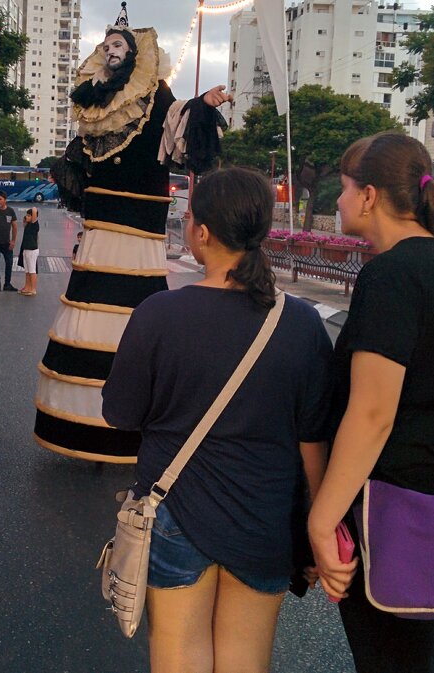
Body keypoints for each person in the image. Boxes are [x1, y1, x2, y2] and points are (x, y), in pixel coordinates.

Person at [103, 168, 332, 673]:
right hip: (266, 519)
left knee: (180, 655)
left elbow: (120, 414)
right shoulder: (301, 323)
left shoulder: (159, 313)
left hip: (176, 509)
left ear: (201, 232)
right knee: (245, 661)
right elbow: (313, 439)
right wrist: (321, 528)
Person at [308, 132, 434, 673]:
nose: (337, 202)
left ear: (369, 196)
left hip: (393, 507)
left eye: (343, 188)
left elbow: (372, 413)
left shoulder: (391, 274)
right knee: (411, 656)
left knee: (390, 658)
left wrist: (322, 519)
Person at [35, 3, 231, 462]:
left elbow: (180, 127)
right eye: (106, 45)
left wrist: (203, 105)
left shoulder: (155, 95)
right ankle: (81, 428)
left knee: (136, 317)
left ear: (136, 52)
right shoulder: (96, 101)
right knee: (90, 313)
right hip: (101, 229)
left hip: (138, 233)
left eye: (118, 44)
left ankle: (133, 428)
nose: (110, 50)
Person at [17, 207, 40, 295]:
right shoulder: (28, 225)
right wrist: (25, 220)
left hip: (32, 250)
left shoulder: (35, 224)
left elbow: (34, 210)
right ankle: (27, 287)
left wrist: (32, 209)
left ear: (34, 217)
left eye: (29, 215)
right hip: (26, 249)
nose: (27, 217)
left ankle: (33, 289)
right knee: (27, 271)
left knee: (32, 270)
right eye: (26, 215)